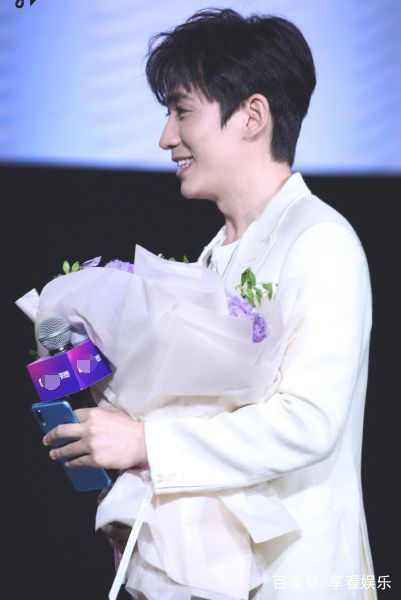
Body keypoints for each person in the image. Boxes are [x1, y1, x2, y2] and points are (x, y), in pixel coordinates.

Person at [43, 8, 377, 599]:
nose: (166, 138)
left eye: (182, 111)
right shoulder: (211, 259)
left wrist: (146, 443)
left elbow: (309, 421)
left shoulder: (321, 241)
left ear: (252, 116)